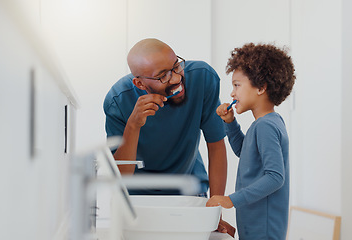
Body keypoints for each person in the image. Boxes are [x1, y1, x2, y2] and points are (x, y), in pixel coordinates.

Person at [103, 38, 235, 236]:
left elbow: (216, 146)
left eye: (176, 67)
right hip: (138, 199)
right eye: (162, 76)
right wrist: (133, 125)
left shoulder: (202, 79)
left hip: (190, 191)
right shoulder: (118, 101)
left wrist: (215, 213)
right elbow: (122, 178)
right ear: (139, 83)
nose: (175, 79)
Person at [206, 43, 295, 240]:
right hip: (256, 224)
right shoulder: (268, 122)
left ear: (261, 87)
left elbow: (275, 177)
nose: (232, 93)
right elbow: (244, 152)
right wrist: (230, 123)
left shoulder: (265, 126)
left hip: (263, 229)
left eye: (237, 85)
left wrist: (231, 200)